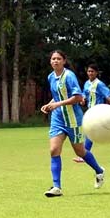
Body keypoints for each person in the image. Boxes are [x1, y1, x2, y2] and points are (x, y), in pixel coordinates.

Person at [40, 50, 105, 197]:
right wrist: (49, 104)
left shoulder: (69, 76)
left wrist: (57, 104)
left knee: (80, 152)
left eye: (58, 59)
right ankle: (57, 187)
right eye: (53, 59)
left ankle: (99, 171)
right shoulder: (51, 77)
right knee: (53, 150)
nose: (55, 61)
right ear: (50, 61)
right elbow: (57, 96)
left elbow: (77, 97)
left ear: (64, 61)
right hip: (58, 119)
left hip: (73, 119)